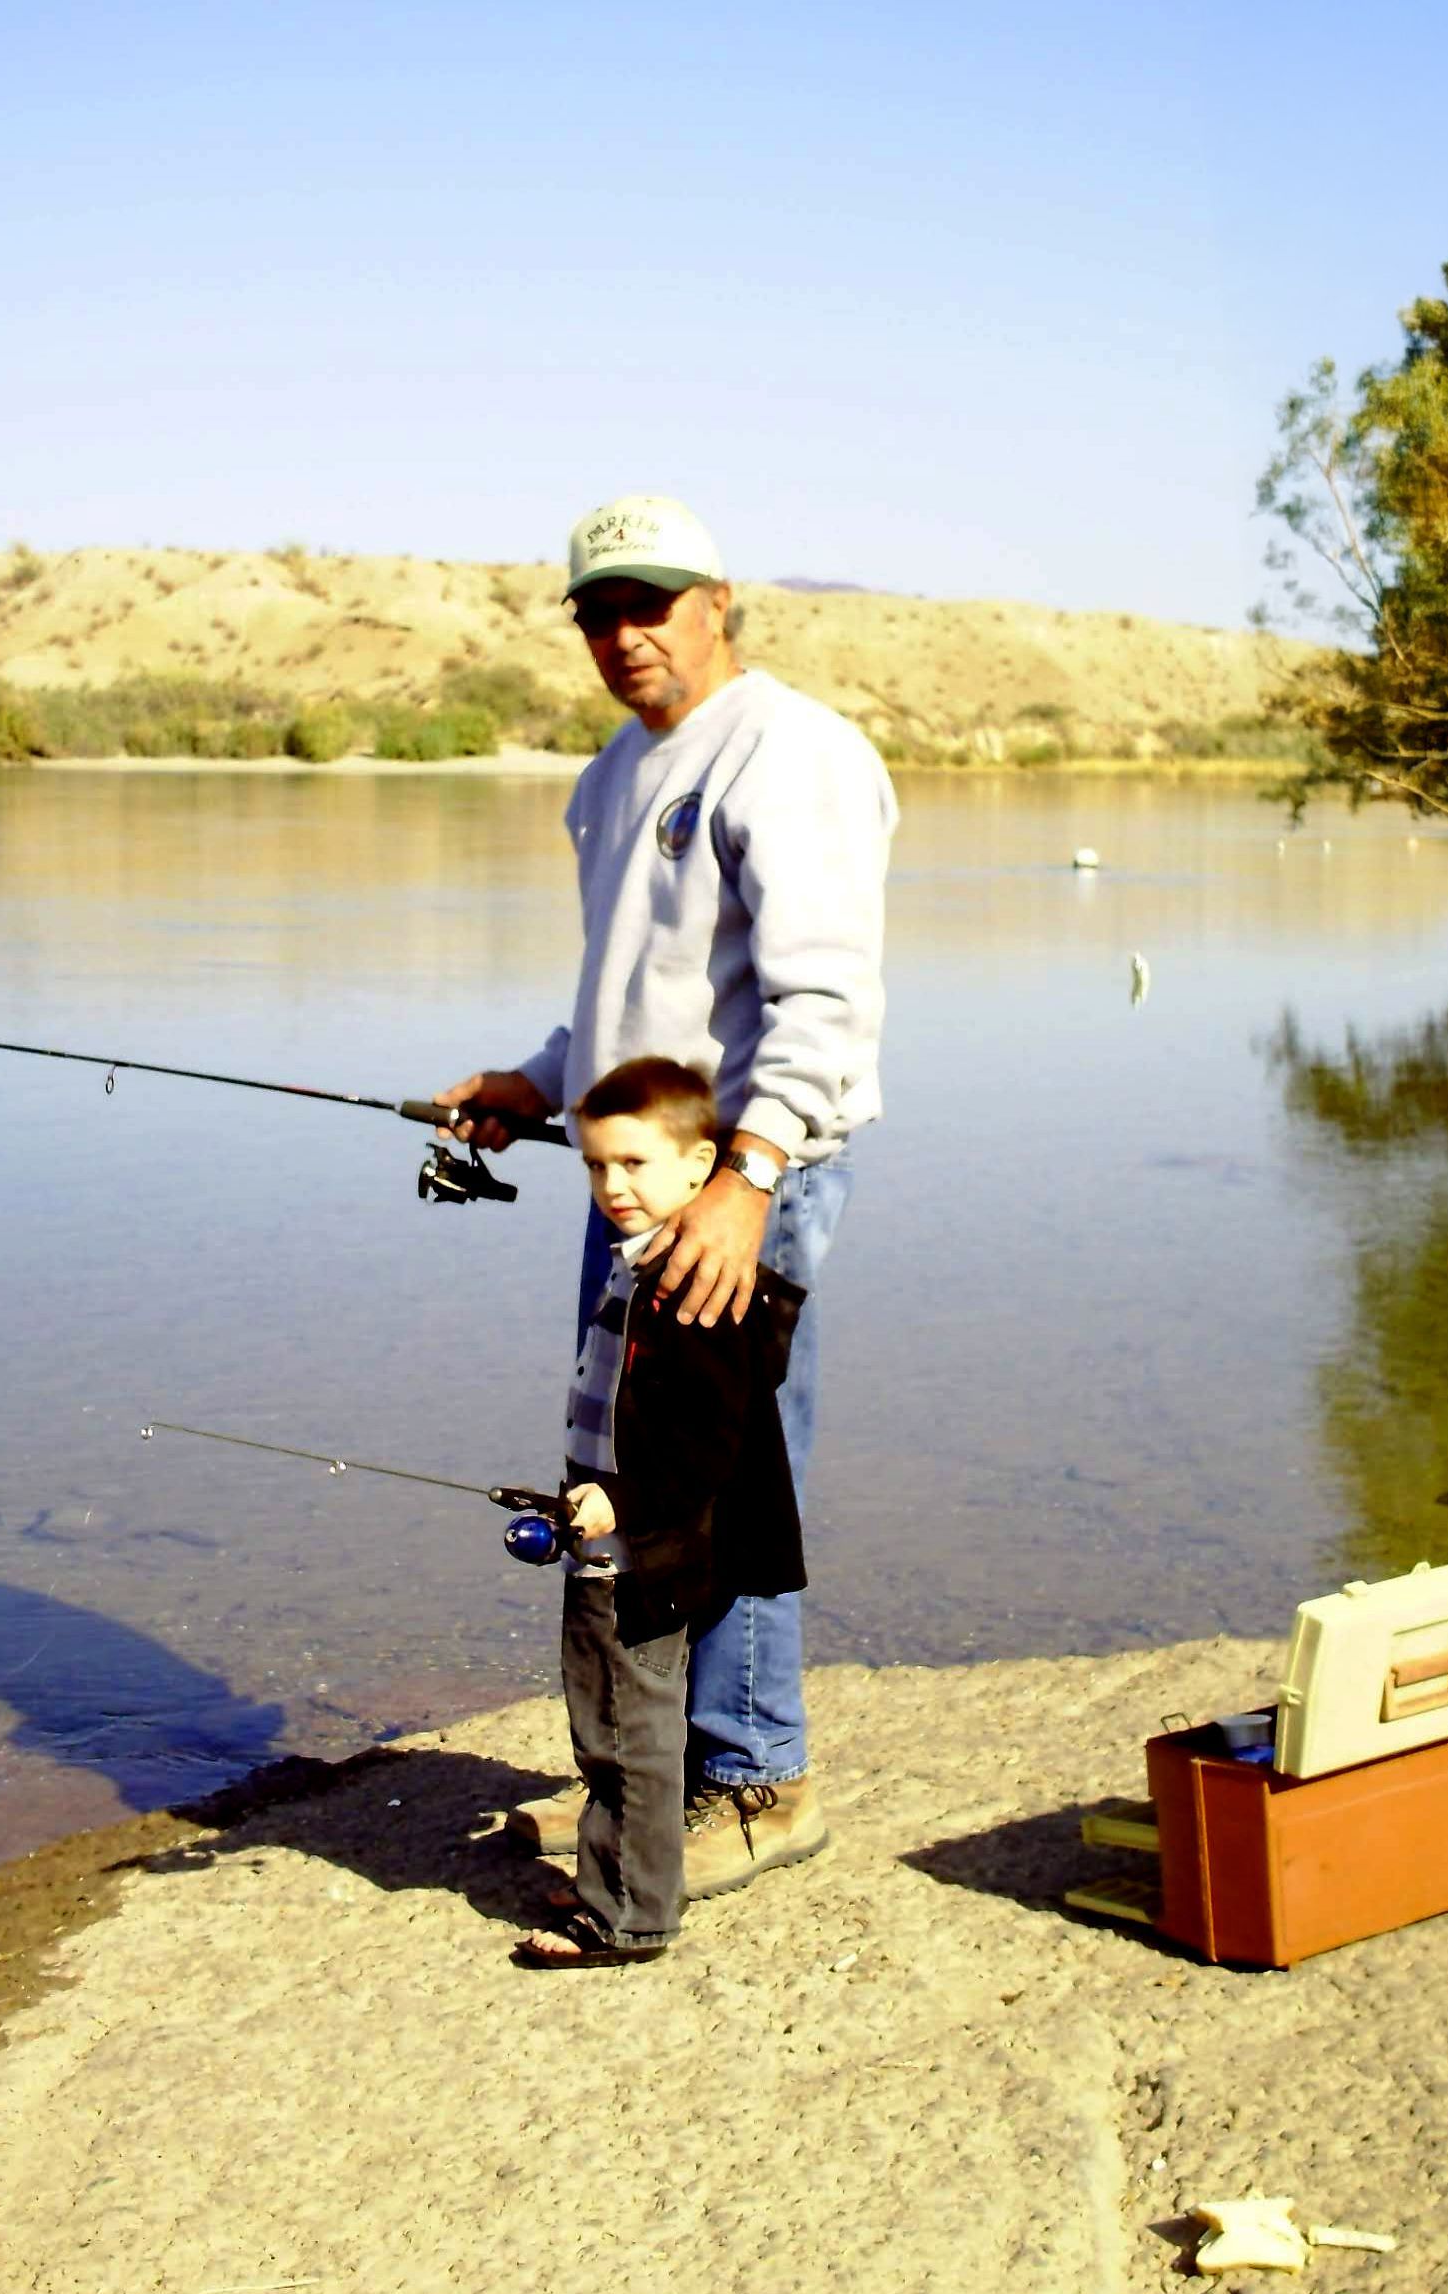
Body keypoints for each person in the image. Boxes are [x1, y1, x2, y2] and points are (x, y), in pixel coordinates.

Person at [439, 491, 896, 1898]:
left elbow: (824, 1003)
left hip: (745, 1175)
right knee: (625, 1474)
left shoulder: (790, 752)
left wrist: (748, 1176)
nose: (624, 633)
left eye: (650, 604)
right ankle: (661, 1771)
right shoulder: (609, 777)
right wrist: (538, 1082)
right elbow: (628, 994)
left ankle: (757, 1776)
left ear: (716, 603)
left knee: (723, 1473)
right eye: (598, 611)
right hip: (636, 1181)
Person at [516, 1057, 806, 1966]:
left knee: (626, 1739)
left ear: (699, 1166)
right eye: (596, 1165)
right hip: (604, 1551)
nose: (612, 1185)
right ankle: (619, 1877)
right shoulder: (635, 1268)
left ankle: (629, 1916)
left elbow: (710, 1447)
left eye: (635, 1163)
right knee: (609, 1732)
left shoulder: (695, 1289)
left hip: (642, 1561)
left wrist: (623, 1500)